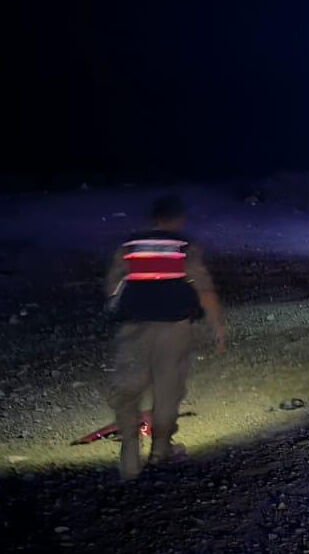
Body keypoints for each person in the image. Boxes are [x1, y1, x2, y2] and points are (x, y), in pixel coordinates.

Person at [105, 194, 225, 480]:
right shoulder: (184, 247)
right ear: (179, 219)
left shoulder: (130, 246)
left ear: (153, 218)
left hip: (134, 326)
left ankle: (130, 455)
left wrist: (116, 310)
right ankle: (161, 451)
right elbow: (203, 288)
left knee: (128, 387)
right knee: (168, 388)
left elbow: (113, 286)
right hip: (174, 327)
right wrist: (216, 325)